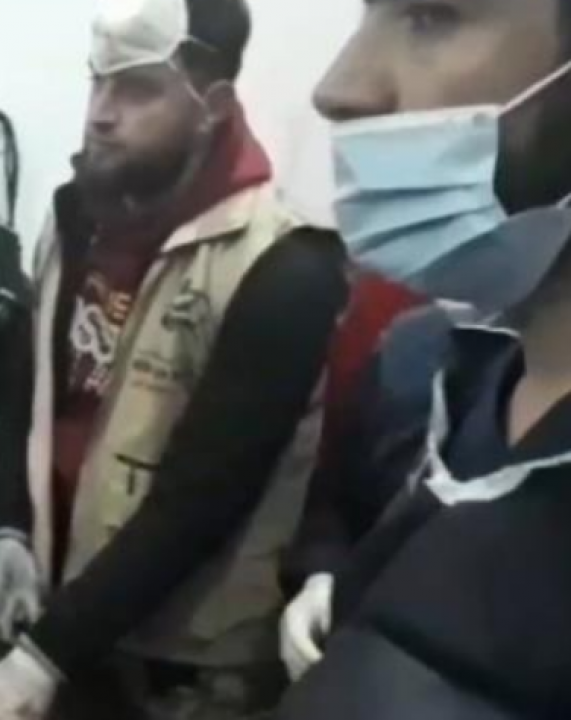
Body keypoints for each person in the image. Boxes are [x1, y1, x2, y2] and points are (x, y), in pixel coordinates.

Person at [0, 0, 350, 717]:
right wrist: (8, 525)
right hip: (68, 617)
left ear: (214, 106)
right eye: (98, 81)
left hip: (185, 670)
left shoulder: (284, 265)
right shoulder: (78, 216)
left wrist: (49, 652)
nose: (100, 114)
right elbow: (32, 384)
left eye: (138, 87)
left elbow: (204, 496)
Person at [274, 0, 571, 716]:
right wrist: (333, 576)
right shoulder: (429, 364)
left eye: (432, 15)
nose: (337, 87)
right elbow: (339, 509)